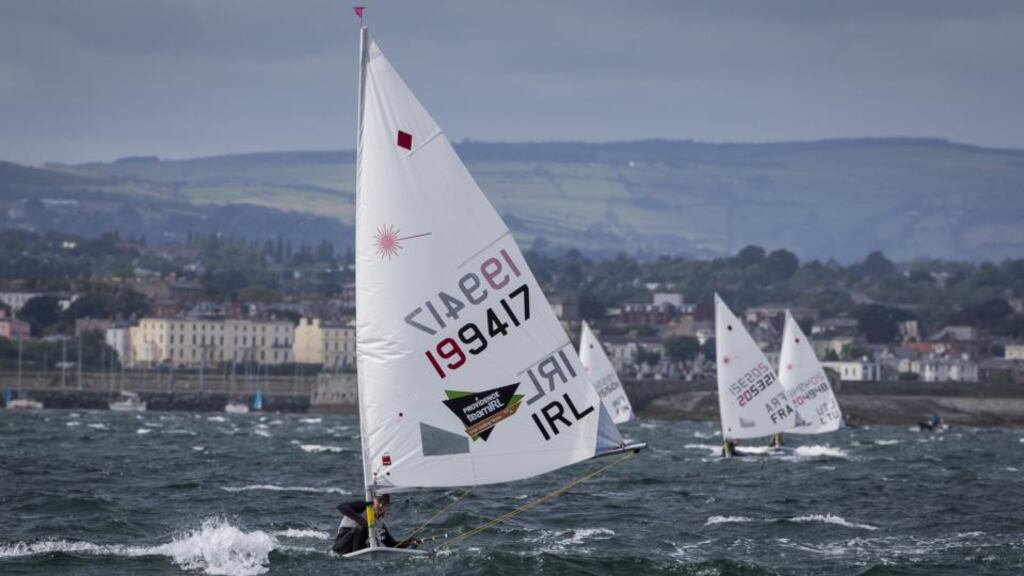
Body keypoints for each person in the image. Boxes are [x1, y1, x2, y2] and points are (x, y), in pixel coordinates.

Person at [332, 495, 420, 555]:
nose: (381, 505)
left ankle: (360, 557)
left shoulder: (380, 523)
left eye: (385, 503)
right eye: (379, 501)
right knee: (363, 526)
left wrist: (409, 542)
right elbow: (341, 507)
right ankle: (357, 558)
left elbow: (391, 544)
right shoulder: (363, 506)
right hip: (342, 546)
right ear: (374, 501)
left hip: (357, 549)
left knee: (369, 531)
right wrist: (362, 521)